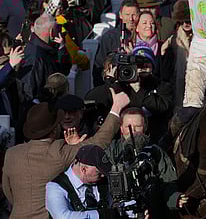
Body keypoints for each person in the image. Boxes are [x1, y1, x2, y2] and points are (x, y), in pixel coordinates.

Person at [2, 89, 129, 219]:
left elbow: (8, 191)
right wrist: (116, 107)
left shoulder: (12, 154)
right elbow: (99, 142)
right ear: (54, 130)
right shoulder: (58, 152)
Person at [104, 108, 188, 215]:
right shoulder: (112, 151)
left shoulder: (155, 151)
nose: (133, 131)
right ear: (121, 128)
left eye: (138, 126)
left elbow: (168, 182)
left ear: (145, 127)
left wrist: (174, 198)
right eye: (128, 127)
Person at [45, 145, 118, 218]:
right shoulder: (55, 187)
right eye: (99, 172)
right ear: (84, 169)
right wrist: (100, 215)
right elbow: (63, 217)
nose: (103, 175)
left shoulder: (103, 182)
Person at [93, 0, 140, 85]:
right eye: (127, 14)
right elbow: (99, 66)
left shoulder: (144, 35)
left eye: (134, 15)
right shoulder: (109, 37)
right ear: (120, 15)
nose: (131, 19)